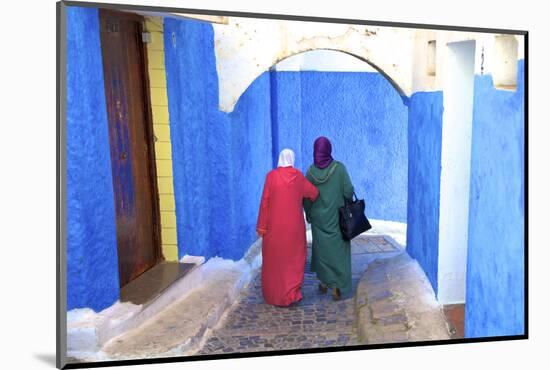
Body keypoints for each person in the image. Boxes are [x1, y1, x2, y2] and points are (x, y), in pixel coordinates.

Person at [256, 149, 319, 306]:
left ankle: (274, 296)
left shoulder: (271, 177)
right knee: (293, 259)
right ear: (292, 159)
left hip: (273, 228)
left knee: (275, 261)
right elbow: (313, 193)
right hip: (294, 228)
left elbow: (265, 202)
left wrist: (262, 227)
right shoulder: (298, 176)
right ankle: (291, 293)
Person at [304, 137, 354, 301]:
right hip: (337, 217)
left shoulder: (310, 172)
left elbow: (305, 196)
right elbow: (348, 191)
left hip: (319, 218)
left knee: (322, 251)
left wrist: (309, 214)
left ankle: (324, 282)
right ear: (329, 150)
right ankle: (337, 286)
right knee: (339, 251)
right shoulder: (339, 169)